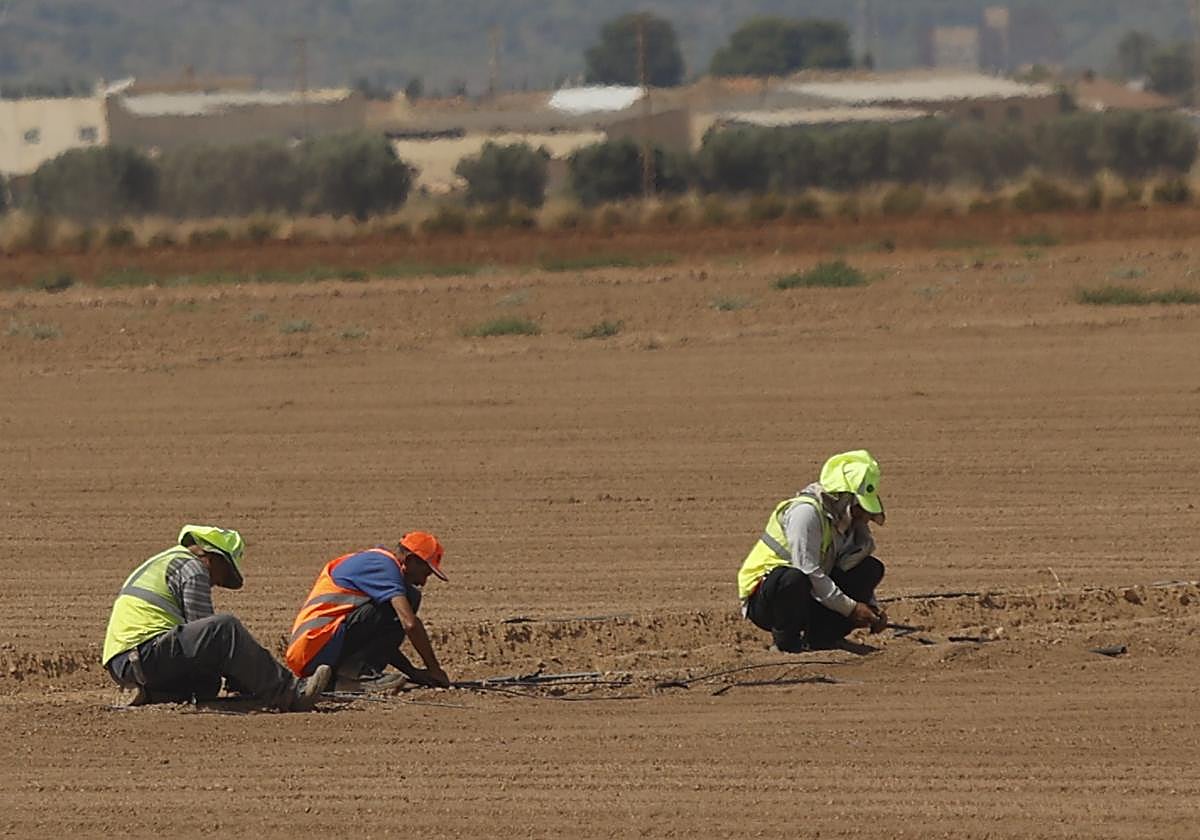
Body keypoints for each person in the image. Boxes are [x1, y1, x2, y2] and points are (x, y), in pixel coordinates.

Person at [102, 524, 331, 710]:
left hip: (126, 663)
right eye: (224, 574)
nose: (216, 583)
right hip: (143, 654)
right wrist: (244, 671)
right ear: (212, 557)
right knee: (224, 628)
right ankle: (291, 693)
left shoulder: (165, 561)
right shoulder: (192, 567)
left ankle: (150, 694)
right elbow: (207, 637)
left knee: (208, 683)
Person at [737, 450, 890, 653]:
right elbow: (807, 570)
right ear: (843, 498)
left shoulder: (841, 521)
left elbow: (846, 565)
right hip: (769, 598)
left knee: (870, 568)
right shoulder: (806, 513)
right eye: (858, 506)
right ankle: (786, 644)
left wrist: (870, 607)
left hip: (809, 594)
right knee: (794, 577)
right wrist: (851, 608)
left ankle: (823, 639)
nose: (861, 514)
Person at [285, 531, 451, 691]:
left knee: (404, 599)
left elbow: (378, 638)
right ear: (410, 560)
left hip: (314, 650)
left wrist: (412, 672)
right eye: (425, 573)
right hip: (314, 650)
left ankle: (347, 677)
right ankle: (356, 677)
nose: (423, 581)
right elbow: (409, 623)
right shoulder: (384, 566)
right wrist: (434, 669)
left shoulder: (378, 562)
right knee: (405, 601)